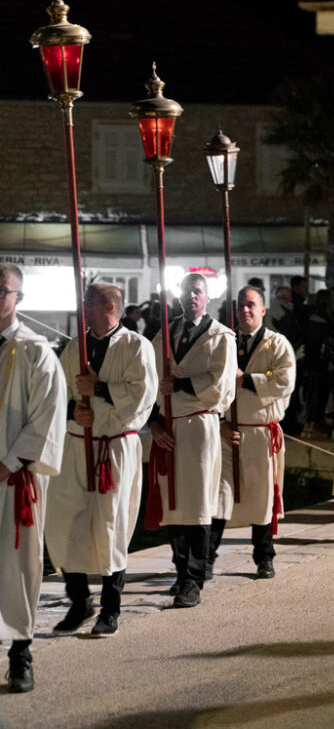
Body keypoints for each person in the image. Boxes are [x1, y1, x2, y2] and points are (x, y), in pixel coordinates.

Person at [45, 283, 157, 638]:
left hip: (114, 448)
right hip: (77, 446)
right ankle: (79, 600)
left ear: (109, 305)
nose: (83, 307)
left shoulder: (136, 346)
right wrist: (74, 412)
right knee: (66, 523)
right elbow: (58, 392)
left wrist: (101, 392)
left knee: (112, 524)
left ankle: (111, 607)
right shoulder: (76, 346)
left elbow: (143, 395)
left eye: (88, 301)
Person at [148, 272, 237, 609]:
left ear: (208, 296)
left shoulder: (221, 337)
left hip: (200, 427)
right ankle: (180, 568)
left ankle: (193, 579)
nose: (192, 297)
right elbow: (149, 377)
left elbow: (222, 387)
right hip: (169, 426)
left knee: (198, 502)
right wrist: (154, 421)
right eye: (187, 292)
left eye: (198, 292)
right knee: (172, 503)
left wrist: (181, 387)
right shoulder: (165, 334)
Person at [0, 264, 67, 693]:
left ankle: (20, 652)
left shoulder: (35, 351)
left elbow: (48, 413)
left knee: (17, 563)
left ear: (18, 298)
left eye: (2, 290)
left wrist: (11, 461)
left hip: (13, 477)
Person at [213, 286, 295, 579]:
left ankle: (264, 556)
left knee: (263, 498)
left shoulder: (277, 344)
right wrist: (219, 422)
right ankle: (206, 559)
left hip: (261, 432)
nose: (245, 310)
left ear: (263, 309)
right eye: (240, 306)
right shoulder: (225, 342)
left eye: (251, 305)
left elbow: (281, 377)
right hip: (228, 431)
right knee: (220, 496)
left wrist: (246, 378)